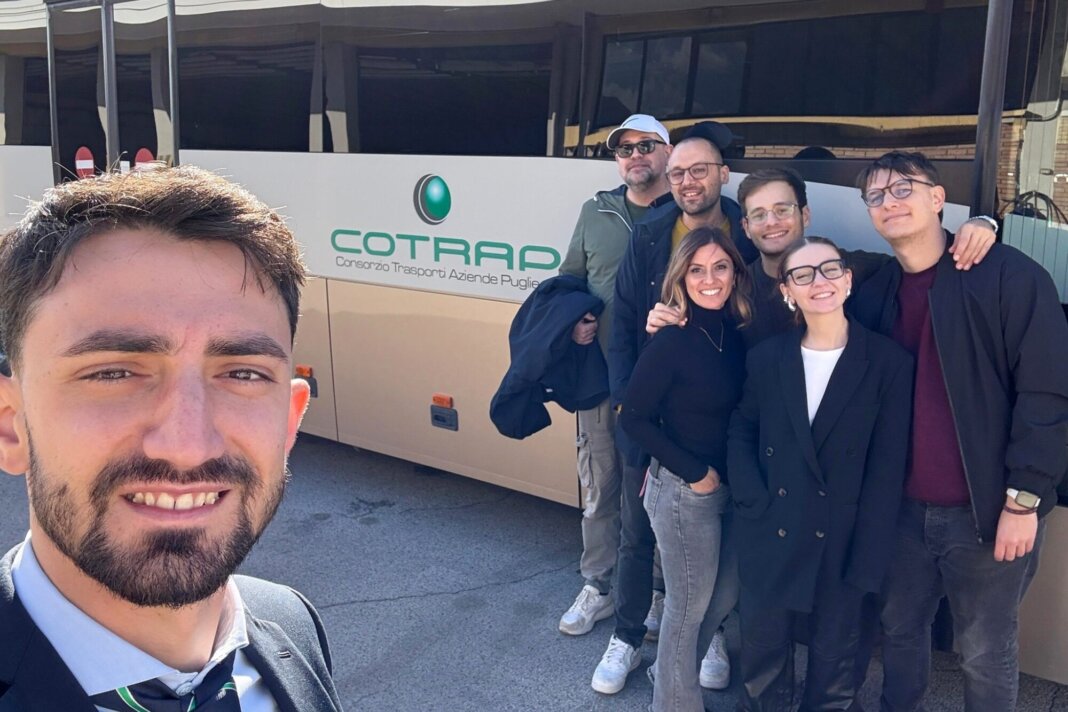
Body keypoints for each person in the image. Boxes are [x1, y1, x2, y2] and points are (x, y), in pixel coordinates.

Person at [0, 167, 344, 711]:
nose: (188, 446)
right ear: (10, 423)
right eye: (113, 373)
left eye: (243, 373)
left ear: (288, 422)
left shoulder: (289, 622)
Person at [850, 151, 1068, 712]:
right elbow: (798, 263)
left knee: (985, 652)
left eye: (904, 188)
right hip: (900, 512)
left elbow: (1047, 394)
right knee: (901, 631)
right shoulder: (873, 287)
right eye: (876, 196)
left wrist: (1024, 498)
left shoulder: (1011, 277)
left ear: (938, 198)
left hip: (988, 513)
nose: (890, 202)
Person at [728, 237, 913, 711]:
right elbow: (743, 428)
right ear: (788, 291)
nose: (819, 282)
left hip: (843, 539)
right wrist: (752, 499)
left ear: (848, 280)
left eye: (830, 269)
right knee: (763, 656)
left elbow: (887, 469)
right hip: (772, 526)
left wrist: (869, 555)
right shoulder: (767, 357)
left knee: (835, 664)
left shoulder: (888, 362)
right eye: (803, 274)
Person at [597, 121, 747, 696]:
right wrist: (627, 408)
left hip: (717, 433)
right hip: (653, 425)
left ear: (723, 175)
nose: (687, 181)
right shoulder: (649, 234)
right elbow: (623, 328)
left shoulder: (749, 232)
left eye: (699, 170)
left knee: (709, 573)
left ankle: (703, 643)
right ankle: (628, 635)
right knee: (636, 536)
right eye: (679, 172)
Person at [620, 227, 751, 711]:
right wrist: (694, 472)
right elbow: (632, 417)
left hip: (729, 490)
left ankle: (671, 677)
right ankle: (674, 702)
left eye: (720, 267)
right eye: (697, 270)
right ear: (681, 277)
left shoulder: (736, 334)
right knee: (687, 608)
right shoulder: (670, 341)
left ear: (735, 273)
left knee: (722, 598)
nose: (709, 279)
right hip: (683, 492)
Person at [558, 114, 673, 637]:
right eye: (624, 149)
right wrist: (576, 319)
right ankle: (599, 585)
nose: (635, 156)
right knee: (600, 487)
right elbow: (570, 280)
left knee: (657, 493)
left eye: (646, 145)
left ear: (668, 152)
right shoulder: (596, 212)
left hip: (667, 386)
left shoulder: (686, 214)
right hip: (602, 380)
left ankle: (656, 591)